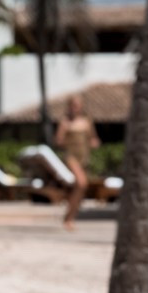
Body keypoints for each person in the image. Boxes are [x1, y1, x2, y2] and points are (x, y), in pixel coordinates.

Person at [54, 92, 98, 230]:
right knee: (81, 184)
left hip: (84, 158)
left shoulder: (87, 121)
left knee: (80, 190)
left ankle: (70, 217)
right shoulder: (65, 122)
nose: (75, 108)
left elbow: (93, 139)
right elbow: (58, 141)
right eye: (73, 105)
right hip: (71, 157)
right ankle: (69, 218)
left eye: (77, 105)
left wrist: (93, 143)